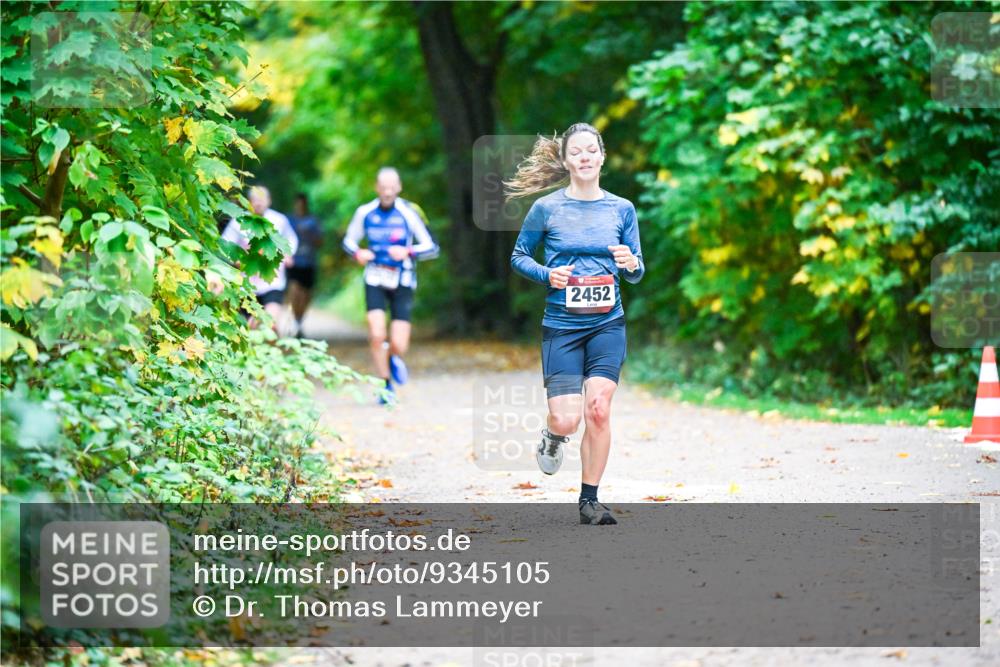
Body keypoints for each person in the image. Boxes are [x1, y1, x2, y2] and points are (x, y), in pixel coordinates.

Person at [507, 123, 644, 526]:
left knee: (598, 409)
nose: (584, 157)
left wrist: (630, 263)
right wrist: (547, 275)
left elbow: (636, 270)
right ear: (566, 161)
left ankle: (589, 500)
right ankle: (553, 436)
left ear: (602, 156)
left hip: (607, 324)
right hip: (562, 327)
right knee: (567, 419)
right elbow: (519, 256)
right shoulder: (546, 208)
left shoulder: (622, 209)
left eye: (591, 150)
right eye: (576, 152)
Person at [342, 167, 438, 403]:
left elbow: (432, 247)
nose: (387, 192)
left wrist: (408, 251)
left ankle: (394, 358)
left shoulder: (409, 212)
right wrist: (358, 253)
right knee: (377, 334)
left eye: (391, 187)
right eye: (383, 187)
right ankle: (385, 385)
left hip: (403, 279)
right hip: (374, 278)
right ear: (377, 187)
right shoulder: (365, 212)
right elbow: (348, 242)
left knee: (399, 344)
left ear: (399, 187)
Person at [222, 185, 298, 332]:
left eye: (262, 199)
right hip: (246, 285)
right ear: (248, 202)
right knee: (248, 328)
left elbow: (291, 240)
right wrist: (236, 261)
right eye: (255, 199)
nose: (258, 203)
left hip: (273, 282)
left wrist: (288, 255)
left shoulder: (279, 220)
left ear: (269, 201)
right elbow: (225, 246)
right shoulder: (239, 221)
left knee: (270, 324)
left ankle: (271, 344)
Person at [287, 192, 323, 338]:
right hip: (294, 262)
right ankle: (295, 320)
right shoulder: (289, 220)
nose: (300, 206)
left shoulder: (313, 221)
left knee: (306, 294)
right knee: (295, 291)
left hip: (309, 262)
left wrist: (311, 236)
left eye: (302, 204)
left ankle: (299, 320)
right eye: (298, 204)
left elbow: (320, 242)